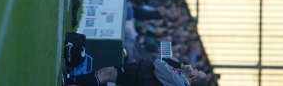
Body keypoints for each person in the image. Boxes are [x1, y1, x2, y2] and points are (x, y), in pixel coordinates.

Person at [65, 58, 208, 86]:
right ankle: (73, 80)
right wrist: (181, 65)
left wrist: (180, 68)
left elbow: (159, 63)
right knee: (106, 72)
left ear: (194, 78)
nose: (194, 68)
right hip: (139, 75)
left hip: (138, 76)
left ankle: (72, 81)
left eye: (197, 70)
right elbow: (165, 60)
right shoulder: (180, 77)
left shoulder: (179, 82)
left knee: (106, 75)